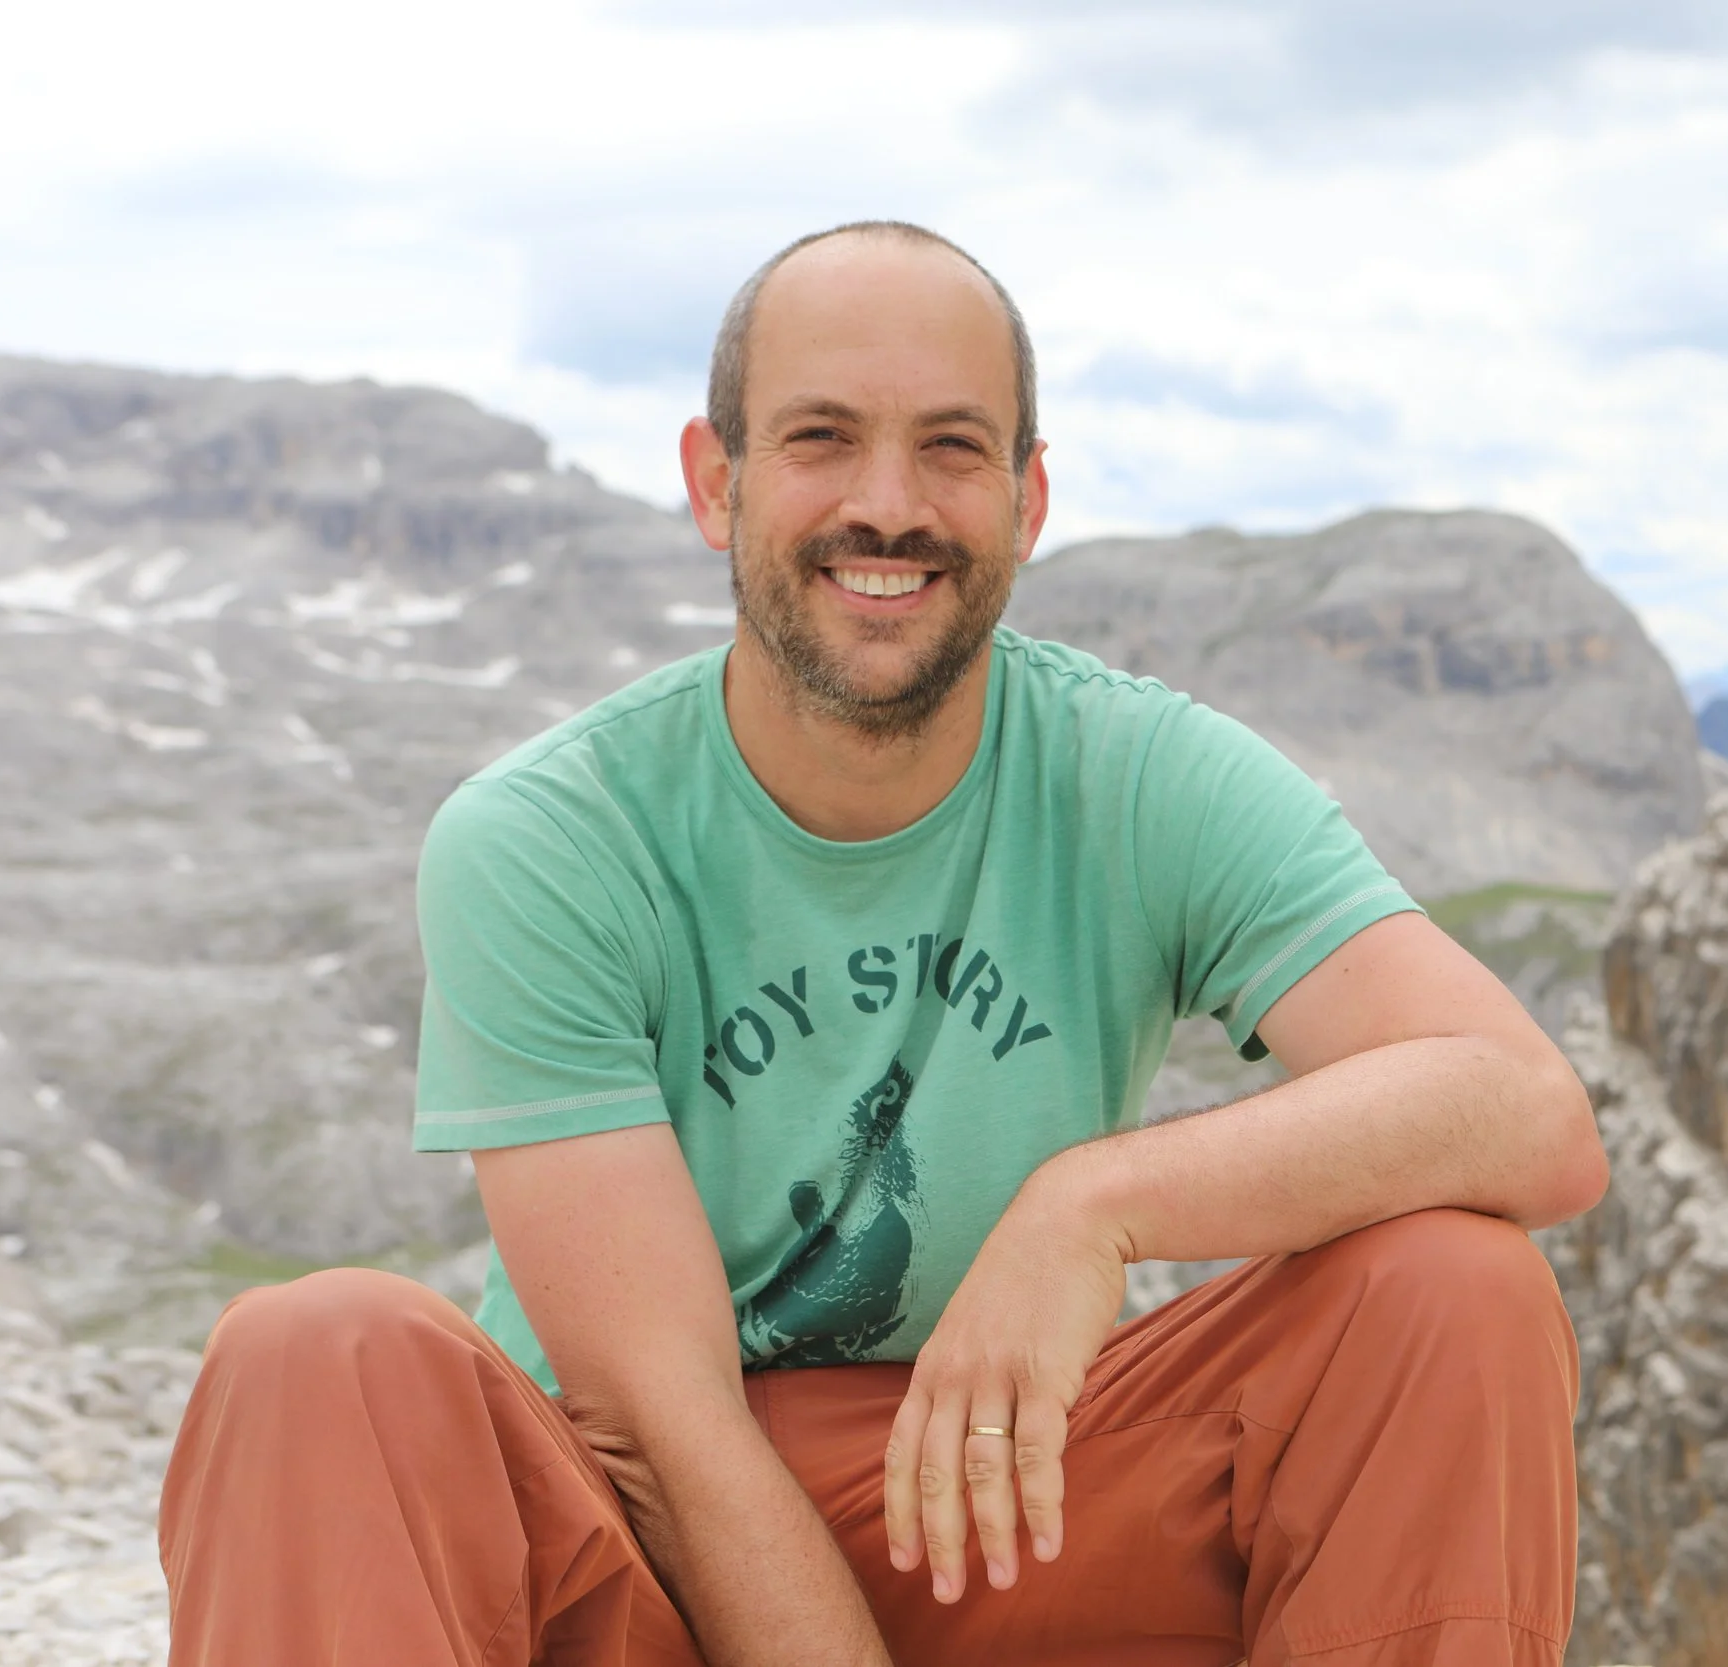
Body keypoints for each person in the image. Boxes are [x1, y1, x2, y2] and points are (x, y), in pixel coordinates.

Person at [157, 220, 1609, 1667]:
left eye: (953, 448)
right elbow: (659, 1429)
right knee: (314, 1353)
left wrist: (1092, 1206)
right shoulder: (551, 833)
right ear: (715, 481)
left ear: (1029, 501)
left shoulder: (1139, 773)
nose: (888, 505)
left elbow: (1528, 1113)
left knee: (1454, 1292)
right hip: (633, 1554)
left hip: (985, 1505)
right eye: (822, 438)